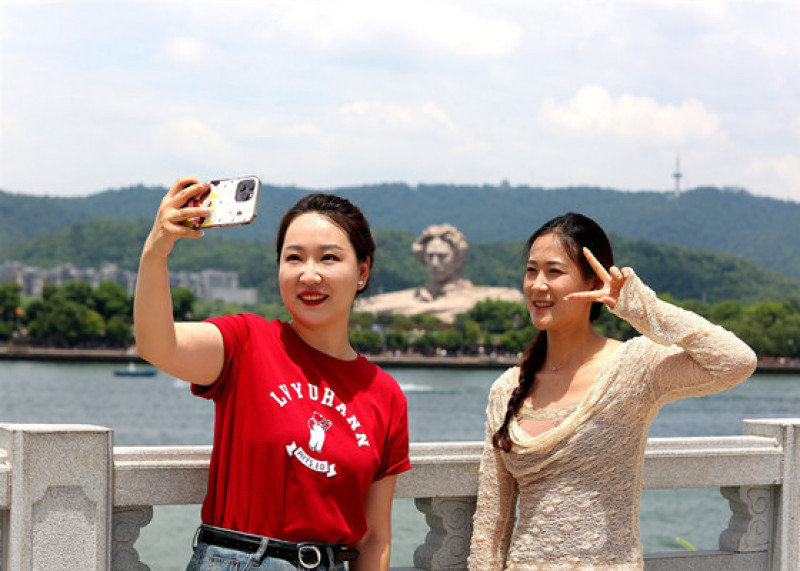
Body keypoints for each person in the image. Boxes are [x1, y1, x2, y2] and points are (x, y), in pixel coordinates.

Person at [134, 177, 411, 571]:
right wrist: (156, 250)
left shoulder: (385, 395)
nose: (309, 275)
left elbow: (374, 537)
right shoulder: (246, 342)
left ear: (362, 271)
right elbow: (158, 345)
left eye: (329, 258)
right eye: (294, 258)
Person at [468, 212, 757, 570]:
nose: (538, 285)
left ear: (593, 280)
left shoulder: (634, 367)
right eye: (531, 271)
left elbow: (736, 361)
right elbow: (492, 520)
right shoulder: (508, 388)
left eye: (554, 271)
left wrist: (641, 307)